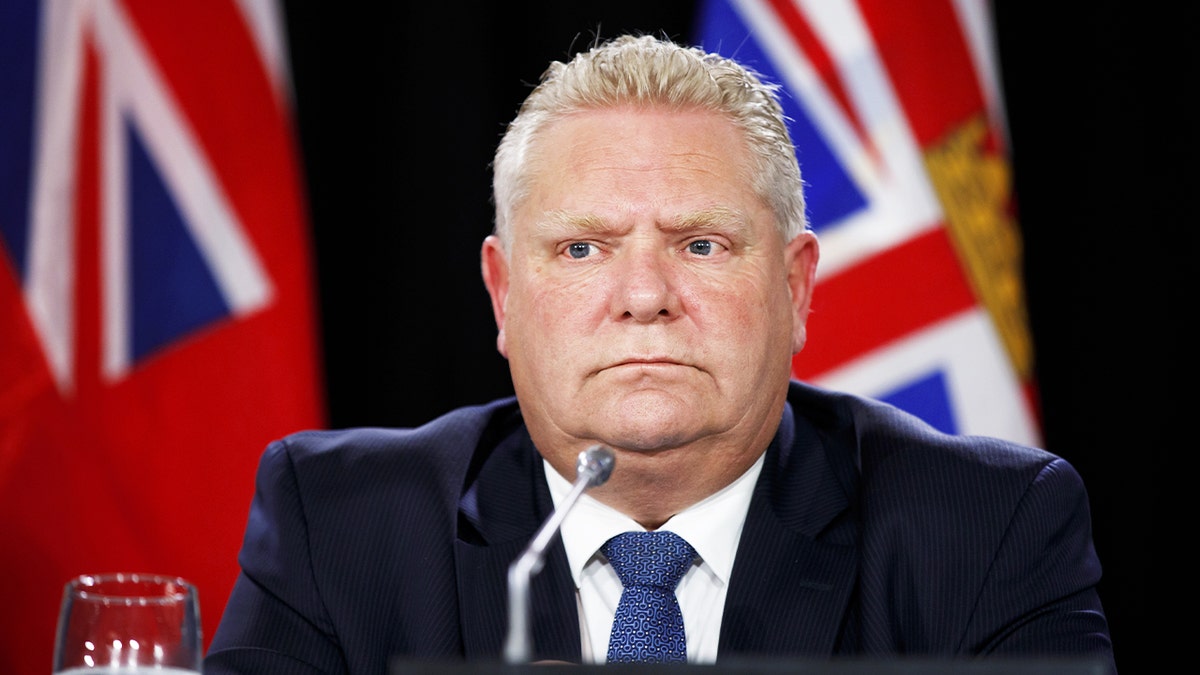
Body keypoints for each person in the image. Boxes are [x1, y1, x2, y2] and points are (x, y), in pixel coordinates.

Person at [204, 34, 1115, 674]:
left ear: (796, 289)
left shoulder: (988, 528)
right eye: (583, 248)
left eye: (702, 245)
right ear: (504, 295)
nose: (645, 295)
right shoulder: (342, 525)